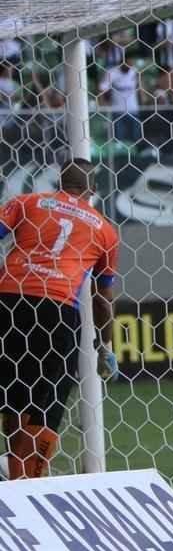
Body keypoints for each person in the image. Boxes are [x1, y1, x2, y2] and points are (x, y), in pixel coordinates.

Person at [0, 159, 120, 480]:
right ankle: (29, 479)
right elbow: (102, 298)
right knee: (49, 395)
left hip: (8, 300)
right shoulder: (104, 229)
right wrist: (105, 345)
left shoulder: (27, 203)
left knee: (13, 389)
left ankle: (13, 470)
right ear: (92, 190)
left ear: (59, 182)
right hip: (57, 308)